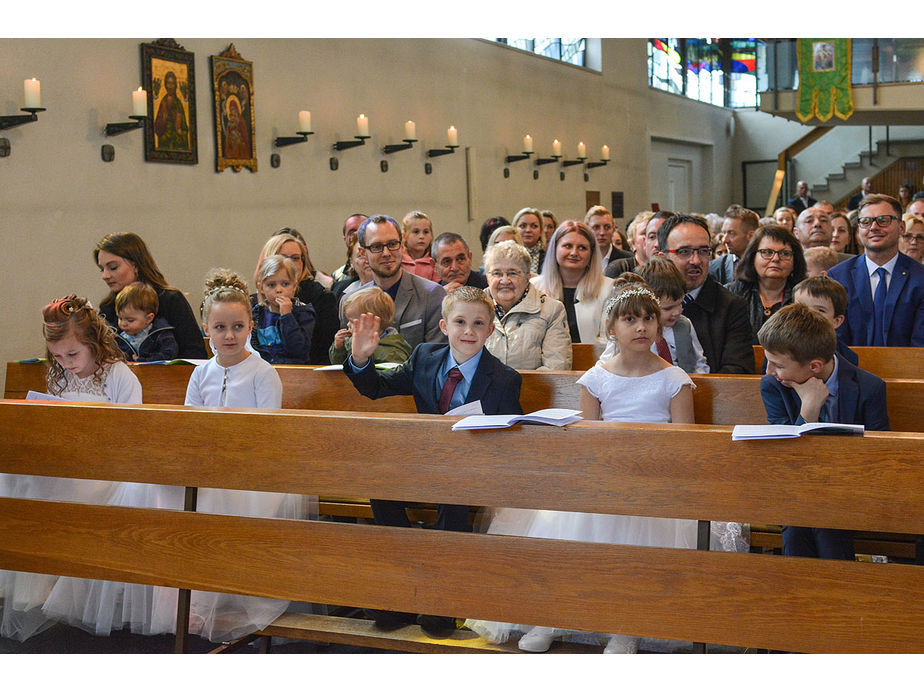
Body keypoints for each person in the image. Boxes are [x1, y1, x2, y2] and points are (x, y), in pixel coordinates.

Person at [468, 276, 696, 654]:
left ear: (658, 325)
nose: (640, 327)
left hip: (655, 478)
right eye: (630, 320)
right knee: (566, 527)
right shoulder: (596, 379)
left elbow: (685, 442)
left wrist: (648, 468)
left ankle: (625, 626)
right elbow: (586, 436)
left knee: (632, 538)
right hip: (601, 472)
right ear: (611, 328)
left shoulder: (674, 379)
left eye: (648, 319)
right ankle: (554, 615)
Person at [342, 286, 522, 637]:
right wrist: (361, 358)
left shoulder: (503, 379)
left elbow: (511, 437)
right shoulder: (425, 356)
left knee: (452, 505)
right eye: (460, 322)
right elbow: (377, 387)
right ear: (444, 326)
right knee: (382, 494)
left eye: (478, 323)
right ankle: (405, 590)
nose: (468, 331)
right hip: (424, 465)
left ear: (489, 330)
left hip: (472, 472)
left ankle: (443, 601)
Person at [0, 296, 149, 641]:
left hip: (108, 471)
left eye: (73, 355)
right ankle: (39, 579)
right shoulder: (60, 378)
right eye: (58, 357)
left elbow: (134, 435)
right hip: (67, 464)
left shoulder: (118, 376)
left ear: (94, 345)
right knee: (16, 476)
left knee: (58, 488)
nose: (66, 364)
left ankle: (64, 586)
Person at [184, 268, 312, 642]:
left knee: (226, 499)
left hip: (257, 469)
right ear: (206, 328)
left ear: (250, 326)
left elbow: (268, 431)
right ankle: (199, 595)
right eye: (220, 327)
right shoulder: (200, 373)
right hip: (211, 466)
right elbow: (191, 424)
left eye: (237, 327)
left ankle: (237, 594)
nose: (229, 335)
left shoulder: (262, 372)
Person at [758, 303, 889, 560]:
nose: (769, 371)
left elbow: (880, 455)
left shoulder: (870, 388)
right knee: (798, 522)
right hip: (795, 486)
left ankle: (836, 592)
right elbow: (785, 456)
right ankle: (802, 593)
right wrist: (809, 408)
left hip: (849, 487)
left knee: (826, 521)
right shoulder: (774, 385)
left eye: (777, 364)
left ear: (815, 367)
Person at [657, 214, 755, 373]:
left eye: (703, 251)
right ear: (662, 258)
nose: (696, 260)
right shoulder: (644, 303)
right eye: (684, 251)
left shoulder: (731, 306)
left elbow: (737, 372)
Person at [828, 194, 924, 346]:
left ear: (902, 227)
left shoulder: (920, 278)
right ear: (859, 230)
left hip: (907, 367)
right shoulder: (838, 277)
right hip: (851, 367)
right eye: (866, 222)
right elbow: (836, 341)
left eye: (883, 221)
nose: (874, 227)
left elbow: (920, 344)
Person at [94, 232, 207, 359]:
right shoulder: (108, 308)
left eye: (113, 267)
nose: (105, 276)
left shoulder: (170, 300)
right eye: (101, 269)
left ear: (136, 265)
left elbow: (195, 354)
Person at [341, 215, 446, 350]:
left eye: (392, 244)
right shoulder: (350, 301)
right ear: (363, 253)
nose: (386, 253)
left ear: (402, 245)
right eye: (377, 246)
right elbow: (346, 358)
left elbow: (435, 358)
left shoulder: (431, 294)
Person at [483, 240, 572, 370]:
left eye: (512, 273)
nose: (504, 280)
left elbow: (557, 367)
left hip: (532, 389)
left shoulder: (552, 310)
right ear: (487, 277)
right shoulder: (473, 308)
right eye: (497, 273)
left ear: (527, 277)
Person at [254, 230, 338, 364]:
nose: (279, 289)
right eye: (282, 257)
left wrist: (287, 316)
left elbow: (303, 349)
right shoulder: (256, 308)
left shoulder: (314, 303)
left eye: (295, 258)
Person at [532, 220, 614, 347]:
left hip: (593, 363)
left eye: (582, 248)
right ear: (554, 248)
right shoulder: (533, 287)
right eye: (568, 246)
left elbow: (608, 339)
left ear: (591, 253)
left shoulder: (609, 288)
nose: (574, 253)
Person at [725, 224, 807, 339]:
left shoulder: (804, 297)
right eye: (767, 252)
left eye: (785, 254)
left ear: (795, 261)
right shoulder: (731, 293)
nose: (776, 259)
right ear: (752, 257)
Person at [251, 255, 316, 364]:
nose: (279, 290)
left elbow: (298, 350)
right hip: (263, 370)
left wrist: (287, 316)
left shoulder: (303, 312)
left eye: (285, 284)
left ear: (294, 286)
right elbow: (252, 347)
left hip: (294, 371)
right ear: (261, 288)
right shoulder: (257, 314)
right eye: (271, 285)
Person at [329, 287, 412, 365]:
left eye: (352, 322)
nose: (348, 325)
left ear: (372, 323)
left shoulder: (393, 350)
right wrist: (339, 347)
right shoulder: (351, 340)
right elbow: (339, 365)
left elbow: (389, 377)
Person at [792, 275, 859, 366]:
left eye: (820, 310)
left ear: (837, 321)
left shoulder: (847, 356)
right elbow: (768, 378)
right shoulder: (778, 346)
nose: (808, 315)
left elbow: (847, 379)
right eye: (801, 307)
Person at [114, 282, 179, 362]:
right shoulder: (119, 338)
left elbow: (169, 354)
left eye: (130, 320)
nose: (123, 324)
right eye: (120, 318)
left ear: (148, 319)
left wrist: (144, 360)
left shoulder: (161, 334)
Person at [605, 210, 673, 279]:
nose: (657, 242)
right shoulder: (619, 268)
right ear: (632, 243)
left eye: (660, 234)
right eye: (651, 236)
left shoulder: (671, 268)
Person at [709, 205, 759, 285]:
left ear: (751, 236)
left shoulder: (767, 265)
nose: (724, 240)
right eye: (724, 233)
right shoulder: (714, 268)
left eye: (731, 233)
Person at [400, 210, 440, 282]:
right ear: (404, 236)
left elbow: (437, 287)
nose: (421, 236)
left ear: (431, 236)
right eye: (416, 232)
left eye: (426, 232)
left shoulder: (434, 262)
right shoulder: (399, 259)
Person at [153, 71, 189, 151]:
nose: (170, 86)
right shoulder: (163, 102)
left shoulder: (178, 103)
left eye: (172, 83)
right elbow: (157, 125)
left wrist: (180, 131)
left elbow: (184, 127)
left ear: (175, 85)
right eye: (168, 83)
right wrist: (164, 120)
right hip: (165, 140)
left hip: (177, 141)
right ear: (165, 85)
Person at [331, 213, 369, 282]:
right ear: (345, 239)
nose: (357, 237)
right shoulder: (337, 277)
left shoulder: (383, 270)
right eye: (352, 233)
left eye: (363, 231)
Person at [512, 207, 545, 273]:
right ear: (514, 229)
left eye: (534, 226)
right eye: (523, 226)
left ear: (541, 231)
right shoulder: (507, 256)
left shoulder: (549, 258)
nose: (528, 230)